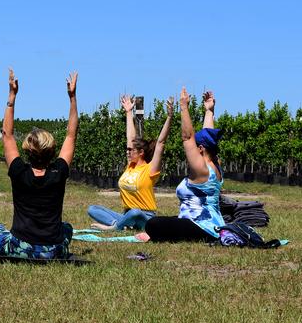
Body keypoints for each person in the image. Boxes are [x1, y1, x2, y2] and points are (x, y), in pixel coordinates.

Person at [0, 68, 79, 259]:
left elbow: (7, 135)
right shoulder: (58, 173)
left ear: (27, 150)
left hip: (21, 248)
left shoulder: (19, 172)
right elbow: (71, 135)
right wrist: (72, 97)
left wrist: (12, 95)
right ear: (52, 151)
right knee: (67, 227)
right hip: (53, 250)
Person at [137, 88, 224, 242]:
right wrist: (209, 111)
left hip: (201, 227)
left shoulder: (201, 170)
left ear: (201, 149)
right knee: (169, 220)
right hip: (213, 226)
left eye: (196, 146)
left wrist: (184, 107)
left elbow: (187, 137)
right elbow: (209, 135)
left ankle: (157, 236)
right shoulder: (215, 164)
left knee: (152, 224)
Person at [87, 95, 174, 230]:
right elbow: (130, 138)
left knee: (135, 212)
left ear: (141, 153)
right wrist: (128, 112)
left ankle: (114, 228)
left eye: (131, 150)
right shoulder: (130, 166)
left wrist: (169, 117)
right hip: (127, 215)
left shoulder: (150, 169)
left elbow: (161, 143)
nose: (127, 152)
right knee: (92, 209)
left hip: (145, 217)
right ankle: (123, 224)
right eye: (127, 150)